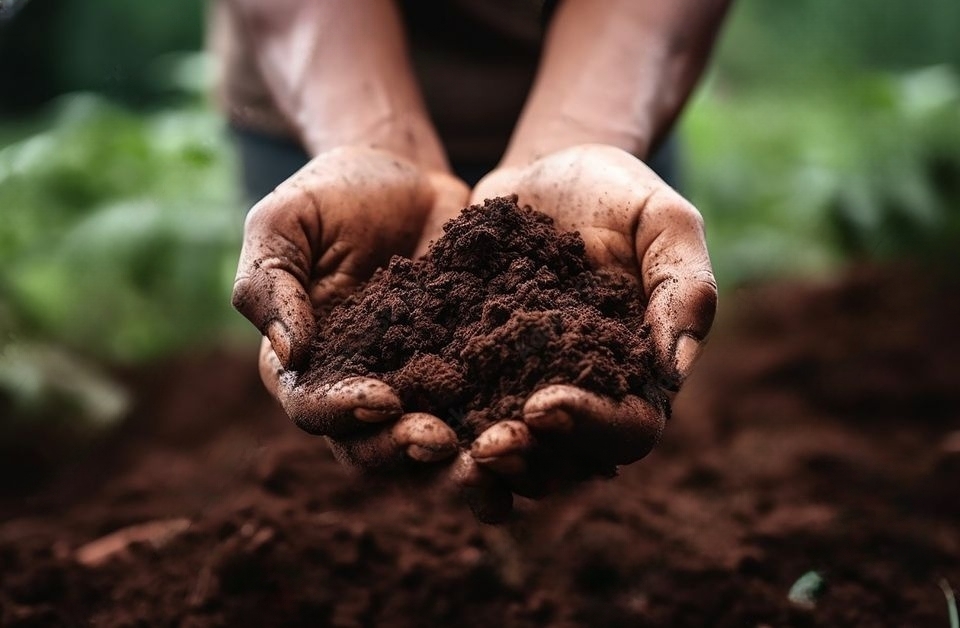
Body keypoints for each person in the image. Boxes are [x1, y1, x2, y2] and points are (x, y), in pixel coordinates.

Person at [218, 0, 726, 521]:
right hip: (321, 81)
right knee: (355, 485)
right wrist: (375, 141)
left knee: (579, 472)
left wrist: (584, 136)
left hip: (614, 88)